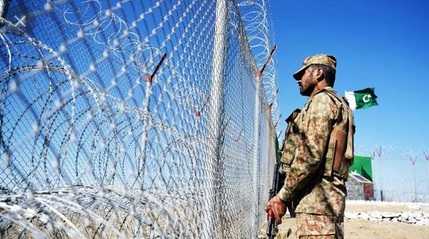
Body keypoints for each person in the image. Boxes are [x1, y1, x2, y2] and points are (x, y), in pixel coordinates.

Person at [265, 54, 355, 239]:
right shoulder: (338, 104)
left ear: (319, 73)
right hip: (326, 204)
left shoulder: (322, 101)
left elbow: (310, 156)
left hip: (317, 204)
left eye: (303, 73)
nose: (298, 79)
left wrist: (282, 196)